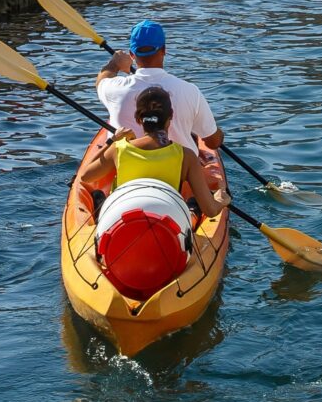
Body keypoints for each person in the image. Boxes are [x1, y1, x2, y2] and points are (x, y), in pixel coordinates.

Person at [76, 85, 226, 299]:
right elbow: (211, 211)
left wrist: (112, 141)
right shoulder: (185, 156)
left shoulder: (119, 150)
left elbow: (85, 176)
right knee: (195, 204)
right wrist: (221, 199)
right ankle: (192, 211)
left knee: (98, 197)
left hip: (119, 234)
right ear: (170, 117)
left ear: (138, 119)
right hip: (167, 240)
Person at [97, 20, 222, 151]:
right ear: (163, 50)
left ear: (132, 54)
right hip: (180, 168)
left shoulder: (113, 88)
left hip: (129, 167)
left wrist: (115, 63)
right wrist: (215, 130)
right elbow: (213, 143)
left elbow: (101, 80)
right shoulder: (190, 91)